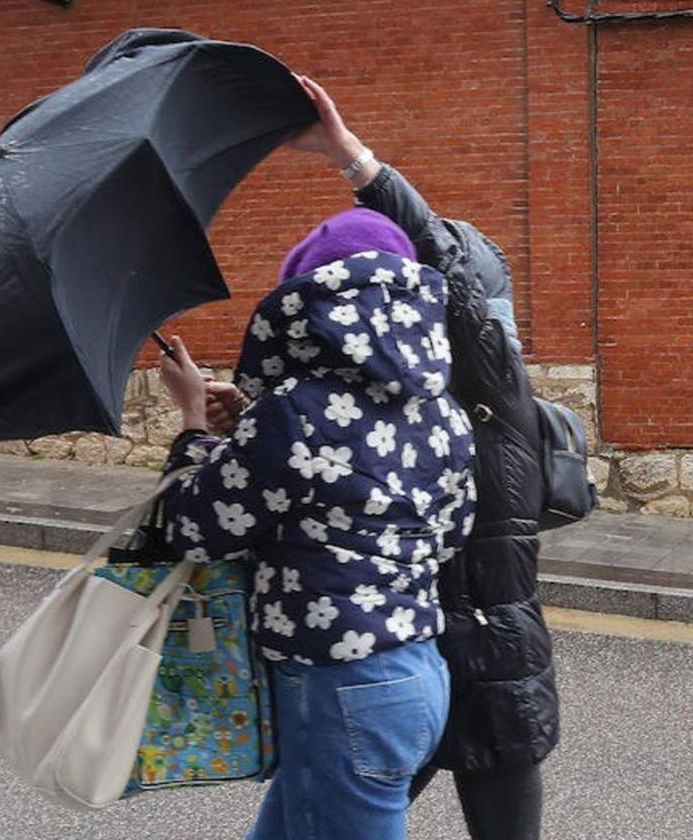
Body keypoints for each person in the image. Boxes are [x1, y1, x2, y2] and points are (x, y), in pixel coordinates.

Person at [205, 77, 559, 840]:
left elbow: (217, 515)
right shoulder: (427, 405)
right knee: (329, 809)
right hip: (415, 645)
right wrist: (254, 422)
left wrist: (352, 157)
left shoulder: (489, 384)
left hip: (471, 644)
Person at [156, 207, 478, 840]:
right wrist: (252, 420)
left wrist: (194, 419)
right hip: (416, 673)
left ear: (308, 309)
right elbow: (449, 530)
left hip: (340, 687)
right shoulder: (441, 411)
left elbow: (193, 527)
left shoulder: (296, 412)